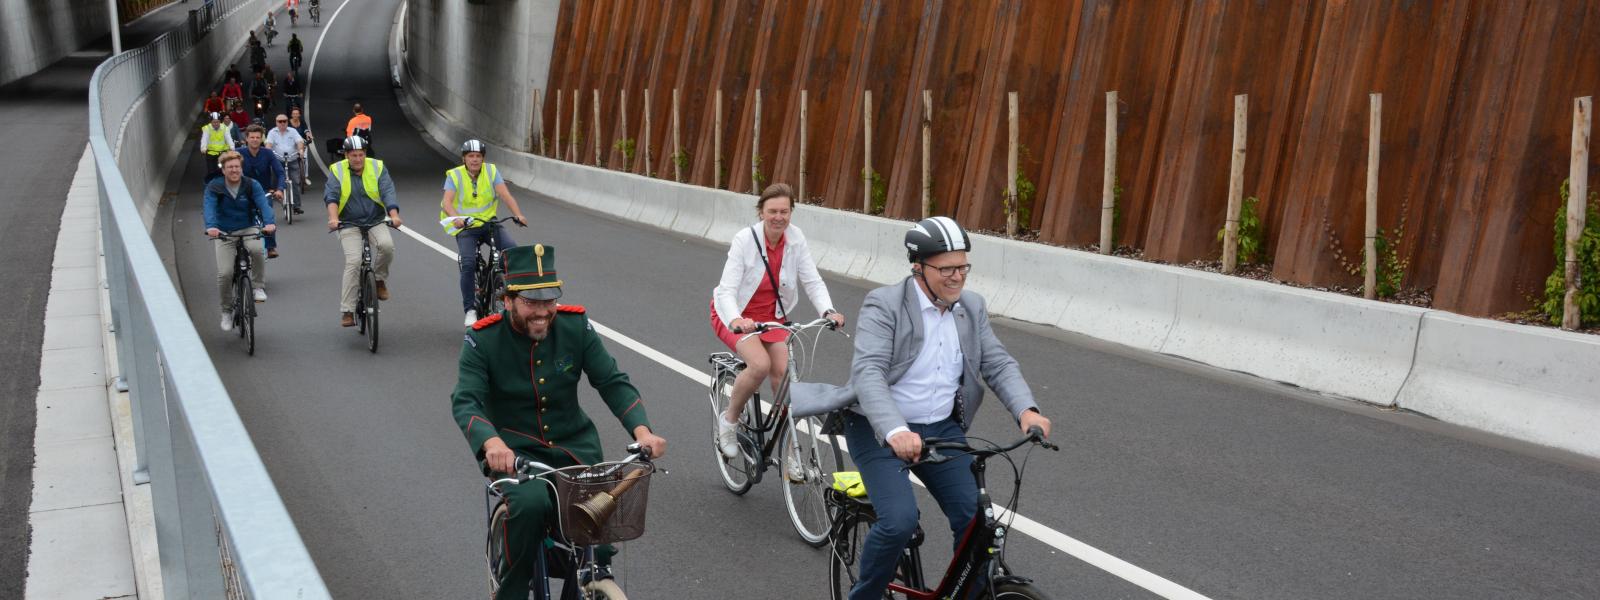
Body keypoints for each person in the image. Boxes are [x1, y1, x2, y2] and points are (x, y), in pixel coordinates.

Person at [797, 216, 1052, 600]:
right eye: (946, 268)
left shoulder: (971, 307)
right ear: (918, 266)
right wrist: (897, 430)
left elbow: (997, 363)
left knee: (977, 521)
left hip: (941, 428)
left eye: (962, 267)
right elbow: (869, 373)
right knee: (899, 521)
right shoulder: (885, 304)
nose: (957, 277)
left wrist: (1026, 410)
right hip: (879, 429)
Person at [451, 243, 668, 600]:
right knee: (532, 505)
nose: (542, 312)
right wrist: (492, 444)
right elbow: (466, 399)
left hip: (574, 446)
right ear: (507, 300)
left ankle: (596, 577)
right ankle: (513, 591)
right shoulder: (483, 340)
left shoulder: (574, 326)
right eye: (531, 303)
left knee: (600, 511)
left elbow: (611, 380)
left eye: (548, 301)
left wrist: (642, 431)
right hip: (515, 451)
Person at [709, 183, 845, 460]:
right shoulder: (745, 240)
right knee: (759, 365)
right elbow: (726, 290)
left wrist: (828, 311)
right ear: (761, 212)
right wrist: (736, 318)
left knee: (785, 379)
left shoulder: (796, 239)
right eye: (772, 211)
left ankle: (790, 451)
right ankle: (730, 421)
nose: (778, 217)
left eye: (784, 211)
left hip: (772, 319)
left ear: (791, 212)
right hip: (736, 315)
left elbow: (811, 280)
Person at [440, 139, 528, 326]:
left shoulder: (491, 171)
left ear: (483, 158)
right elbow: (447, 202)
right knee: (469, 263)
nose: (475, 160)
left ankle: (504, 289)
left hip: (489, 223)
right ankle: (470, 309)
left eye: (478, 156)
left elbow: (505, 195)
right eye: (471, 156)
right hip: (466, 227)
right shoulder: (454, 175)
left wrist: (518, 214)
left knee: (511, 251)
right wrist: (457, 218)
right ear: (464, 158)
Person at [324, 136, 401, 327]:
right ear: (346, 155)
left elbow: (387, 191)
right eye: (353, 155)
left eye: (360, 155)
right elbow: (331, 196)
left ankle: (379, 279)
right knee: (354, 262)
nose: (357, 159)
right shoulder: (338, 170)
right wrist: (333, 219)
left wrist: (394, 215)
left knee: (387, 246)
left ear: (365, 154)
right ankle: (348, 311)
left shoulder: (377, 167)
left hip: (375, 219)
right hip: (348, 223)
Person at [203, 150, 276, 330]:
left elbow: (263, 204)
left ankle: (258, 287)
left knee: (258, 250)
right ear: (223, 170)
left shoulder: (252, 185)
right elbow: (209, 207)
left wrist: (269, 223)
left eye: (237, 166)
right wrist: (211, 226)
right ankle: (226, 311)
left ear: (241, 168)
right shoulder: (214, 186)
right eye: (230, 167)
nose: (234, 170)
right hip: (223, 232)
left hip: (248, 227)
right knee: (225, 273)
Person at [239, 124, 286, 258]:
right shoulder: (238, 153)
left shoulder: (267, 153)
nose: (254, 140)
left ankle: (270, 246)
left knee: (268, 214)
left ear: (262, 139)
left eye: (257, 137)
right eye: (252, 137)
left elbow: (280, 173)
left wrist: (279, 189)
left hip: (264, 191)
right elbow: (228, 170)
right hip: (243, 191)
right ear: (246, 139)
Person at [266, 114, 306, 214]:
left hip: (292, 159)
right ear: (276, 122)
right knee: (275, 181)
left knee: (295, 182)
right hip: (278, 160)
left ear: (287, 122)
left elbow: (299, 141)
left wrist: (300, 150)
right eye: (280, 121)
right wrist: (268, 152)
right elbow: (268, 145)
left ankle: (296, 206)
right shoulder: (272, 132)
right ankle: (279, 199)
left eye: (284, 121)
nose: (282, 123)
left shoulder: (293, 131)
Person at [198, 112, 237, 182]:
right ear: (210, 122)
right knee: (211, 171)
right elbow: (204, 139)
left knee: (224, 170)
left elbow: (229, 139)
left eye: (217, 122)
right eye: (214, 122)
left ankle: (226, 183)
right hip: (211, 153)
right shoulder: (207, 129)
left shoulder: (225, 128)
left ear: (220, 121)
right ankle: (211, 185)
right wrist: (203, 148)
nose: (216, 124)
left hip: (222, 153)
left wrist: (232, 147)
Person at [288, 106, 313, 186]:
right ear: (291, 115)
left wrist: (308, 135)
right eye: (294, 114)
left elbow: (306, 130)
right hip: (291, 143)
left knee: (305, 160)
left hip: (302, 142)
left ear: (299, 115)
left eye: (297, 114)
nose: (295, 115)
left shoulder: (302, 122)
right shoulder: (288, 123)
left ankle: (305, 177)